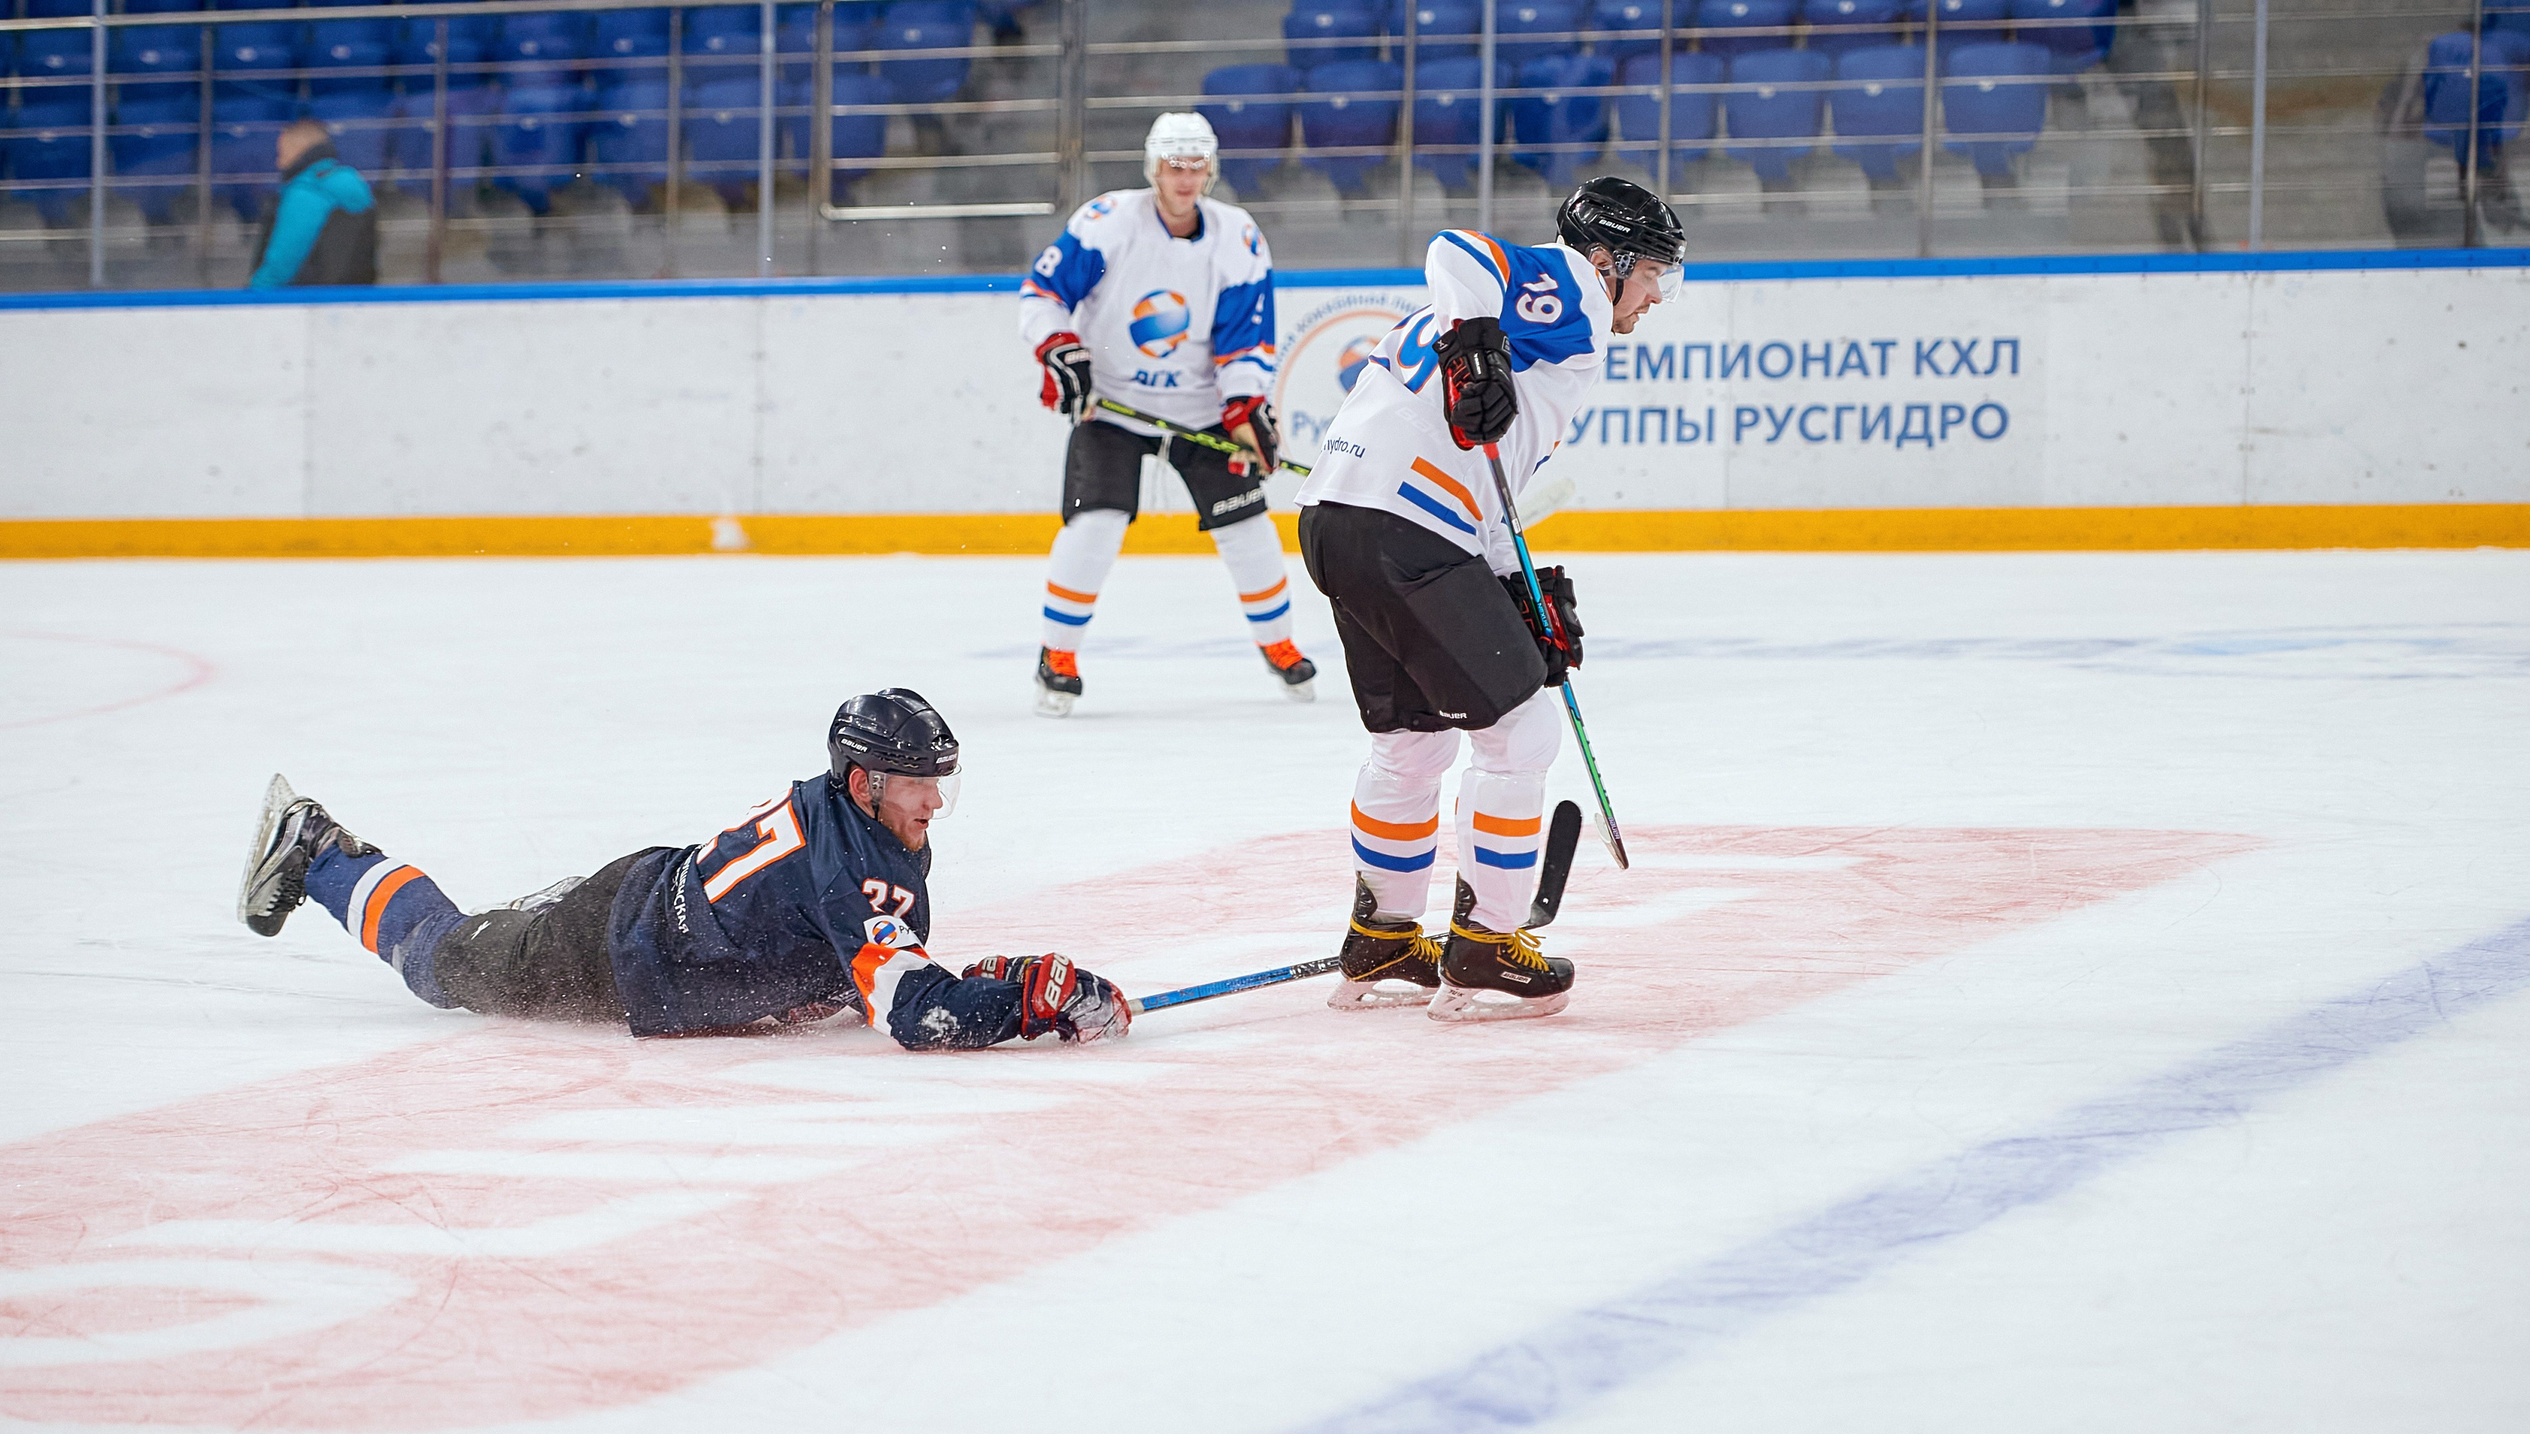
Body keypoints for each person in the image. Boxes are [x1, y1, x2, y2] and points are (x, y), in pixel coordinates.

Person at [1292, 178, 1682, 1022]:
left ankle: (1385, 940)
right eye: (1655, 275)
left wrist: (1523, 597)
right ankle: (1485, 951)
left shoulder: (1533, 331)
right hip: (1409, 531)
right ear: (1609, 262)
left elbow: (1496, 486)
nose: (1656, 297)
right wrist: (1476, 349)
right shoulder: (1573, 288)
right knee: (1522, 732)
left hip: (1341, 523)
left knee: (1411, 744)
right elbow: (1456, 251)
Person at [235, 689, 1132, 1049]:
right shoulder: (839, 864)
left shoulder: (874, 831)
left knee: (471, 944)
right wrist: (1019, 1003)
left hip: (651, 922)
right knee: (441, 965)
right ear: (865, 782)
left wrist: (1018, 984)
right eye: (920, 787)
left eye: (944, 785)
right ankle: (317, 848)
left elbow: (881, 962)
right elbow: (910, 1011)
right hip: (610, 943)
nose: (935, 805)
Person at [1017, 110, 1316, 716]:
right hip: (1114, 405)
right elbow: (1042, 296)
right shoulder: (1107, 223)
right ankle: (1058, 654)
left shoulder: (1237, 235)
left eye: (1196, 165)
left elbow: (1246, 339)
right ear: (1153, 167)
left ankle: (1279, 644)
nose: (1184, 177)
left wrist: (1244, 406)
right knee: (1095, 525)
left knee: (1247, 529)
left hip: (1200, 410)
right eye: (1174, 165)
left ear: (1212, 168)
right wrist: (1059, 349)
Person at [248, 118, 378, 291]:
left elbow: (285, 259)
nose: (279, 163)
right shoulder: (351, 180)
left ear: (299, 150)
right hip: (356, 294)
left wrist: (255, 293)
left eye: (282, 153)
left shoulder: (309, 188)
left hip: (309, 298)